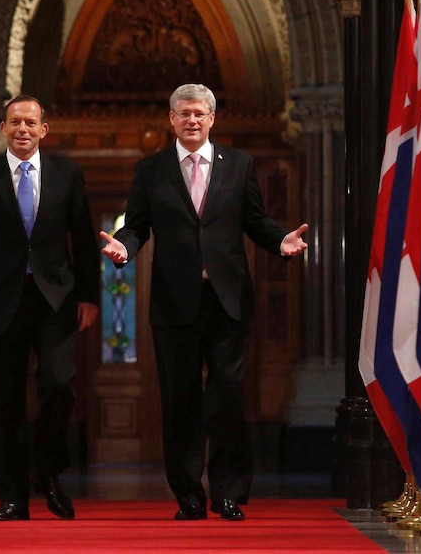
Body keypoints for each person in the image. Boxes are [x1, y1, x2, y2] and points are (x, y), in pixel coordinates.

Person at [100, 84, 308, 521]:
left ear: (212, 119)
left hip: (228, 300)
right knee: (180, 401)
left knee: (228, 398)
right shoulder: (150, 170)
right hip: (174, 303)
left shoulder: (240, 165)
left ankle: (229, 494)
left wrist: (279, 241)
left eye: (199, 113)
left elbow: (255, 220)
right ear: (171, 119)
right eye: (183, 113)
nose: (192, 120)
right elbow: (136, 225)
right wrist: (124, 246)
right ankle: (189, 497)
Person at [0, 95, 99, 521]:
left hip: (56, 299)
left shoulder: (68, 174)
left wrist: (89, 296)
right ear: (2, 128)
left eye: (31, 123)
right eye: (15, 122)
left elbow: (84, 241)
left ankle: (49, 475)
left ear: (44, 129)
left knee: (58, 385)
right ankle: (12, 495)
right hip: (1, 299)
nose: (23, 130)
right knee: (4, 399)